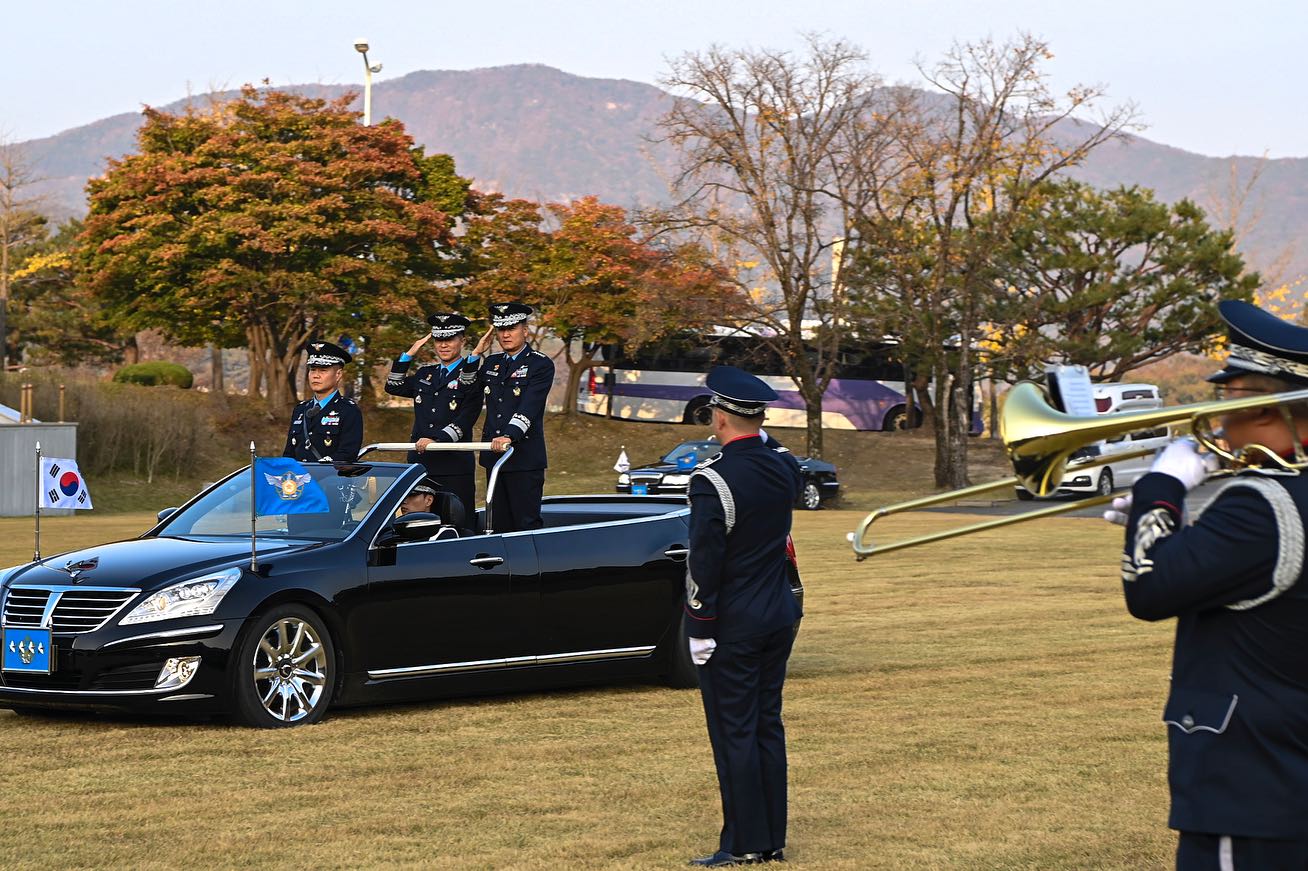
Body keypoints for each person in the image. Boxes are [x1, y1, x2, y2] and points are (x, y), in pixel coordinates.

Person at [1108, 299, 1308, 870]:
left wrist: (1161, 487)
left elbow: (1148, 592)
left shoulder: (1261, 505)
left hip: (1253, 791)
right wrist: (1170, 526)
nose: (1219, 421)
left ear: (1270, 408)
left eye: (1231, 398)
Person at [684, 365, 802, 867]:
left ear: (719, 417)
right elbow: (775, 451)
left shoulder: (712, 481)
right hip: (779, 610)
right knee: (765, 725)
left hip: (733, 620)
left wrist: (699, 626)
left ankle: (745, 842)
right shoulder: (783, 466)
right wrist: (754, 430)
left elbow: (704, 564)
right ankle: (771, 837)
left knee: (734, 730)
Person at [384, 313, 488, 519]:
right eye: (439, 340)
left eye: (449, 339)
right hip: (421, 462)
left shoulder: (471, 376)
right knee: (418, 522)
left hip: (453, 463)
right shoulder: (426, 374)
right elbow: (393, 386)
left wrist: (436, 440)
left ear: (462, 340)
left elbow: (465, 420)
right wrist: (408, 354)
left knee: (457, 521)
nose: (443, 345)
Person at [479, 302, 553, 533]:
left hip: (523, 458)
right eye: (501, 329)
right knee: (498, 525)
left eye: (512, 328)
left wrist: (509, 435)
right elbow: (465, 389)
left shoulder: (540, 364)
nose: (506, 334)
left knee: (525, 525)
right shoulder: (491, 363)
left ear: (525, 330)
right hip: (494, 458)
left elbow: (530, 406)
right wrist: (475, 354)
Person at [283, 341, 363, 463]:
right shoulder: (301, 409)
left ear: (338, 374)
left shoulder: (348, 410)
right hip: (299, 480)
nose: (316, 375)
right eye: (313, 370)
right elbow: (289, 454)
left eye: (323, 370)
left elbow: (348, 454)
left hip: (330, 479)